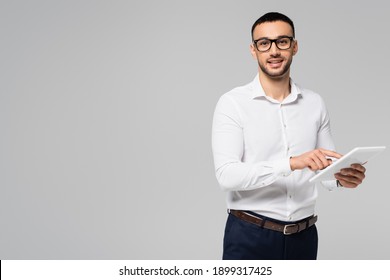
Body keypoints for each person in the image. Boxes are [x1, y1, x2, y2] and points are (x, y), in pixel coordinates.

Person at [211, 12, 366, 260]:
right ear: (254, 50)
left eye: (282, 41)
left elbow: (323, 169)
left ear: (294, 46)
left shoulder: (315, 103)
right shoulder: (232, 103)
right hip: (250, 236)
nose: (274, 51)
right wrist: (292, 163)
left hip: (303, 237)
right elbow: (227, 176)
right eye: (264, 43)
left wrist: (341, 177)